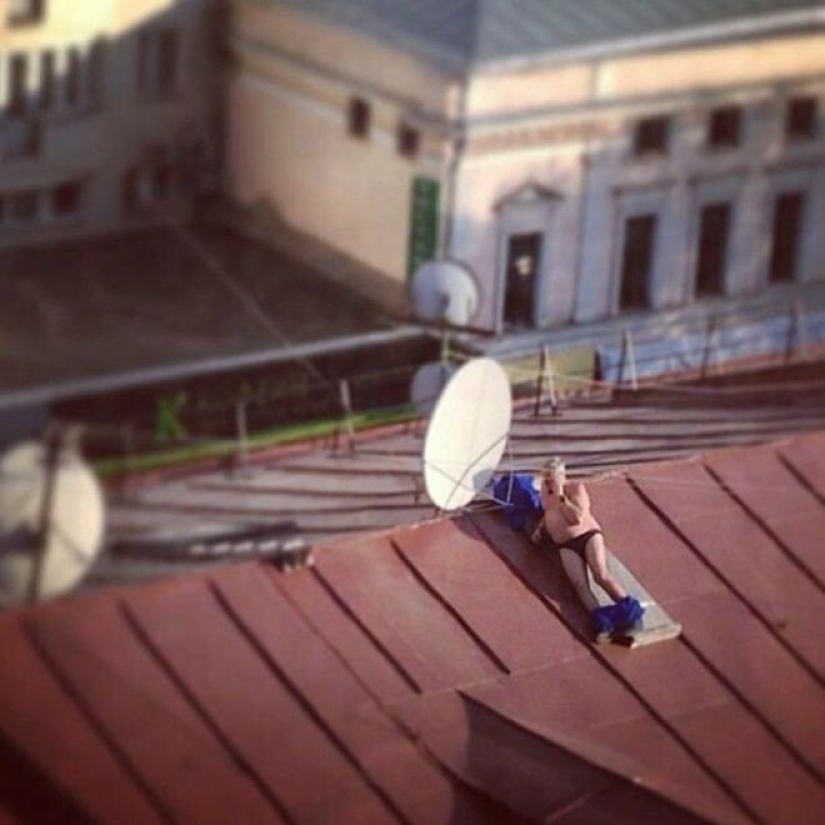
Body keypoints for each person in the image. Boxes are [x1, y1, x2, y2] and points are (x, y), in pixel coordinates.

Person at [531, 457, 628, 603]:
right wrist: (540, 528)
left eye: (552, 477)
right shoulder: (545, 491)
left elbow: (576, 518)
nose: (549, 482)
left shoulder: (574, 488)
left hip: (587, 536)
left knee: (600, 575)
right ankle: (598, 616)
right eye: (547, 477)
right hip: (566, 544)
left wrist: (561, 496)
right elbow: (549, 511)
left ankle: (626, 606)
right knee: (579, 584)